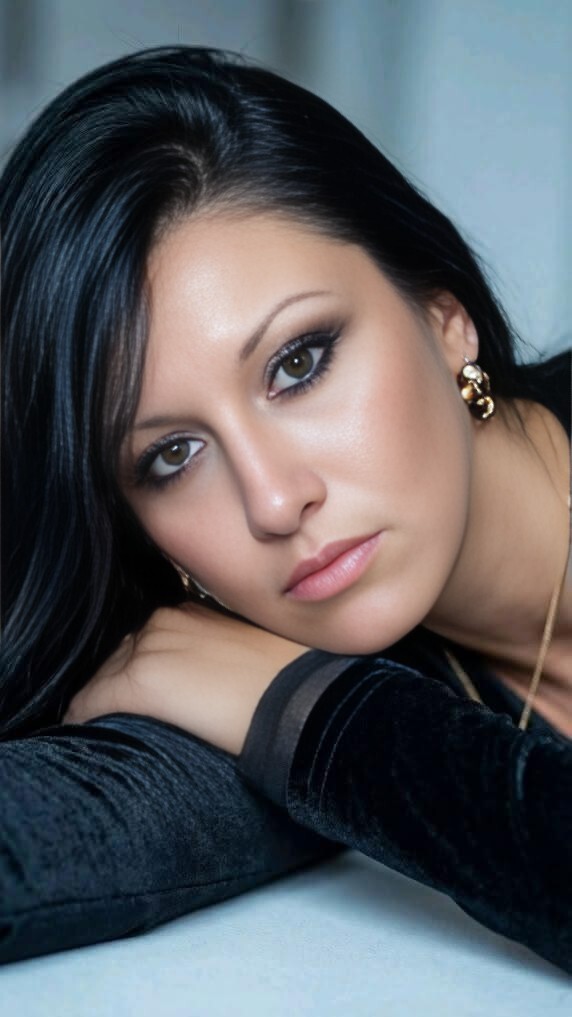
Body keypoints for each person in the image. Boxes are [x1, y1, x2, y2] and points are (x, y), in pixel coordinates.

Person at [0, 45, 570, 972]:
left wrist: (320, 719)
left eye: (299, 363)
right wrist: (295, 708)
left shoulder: (280, 684)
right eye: (172, 456)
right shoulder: (245, 664)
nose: (272, 499)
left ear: (443, 314)